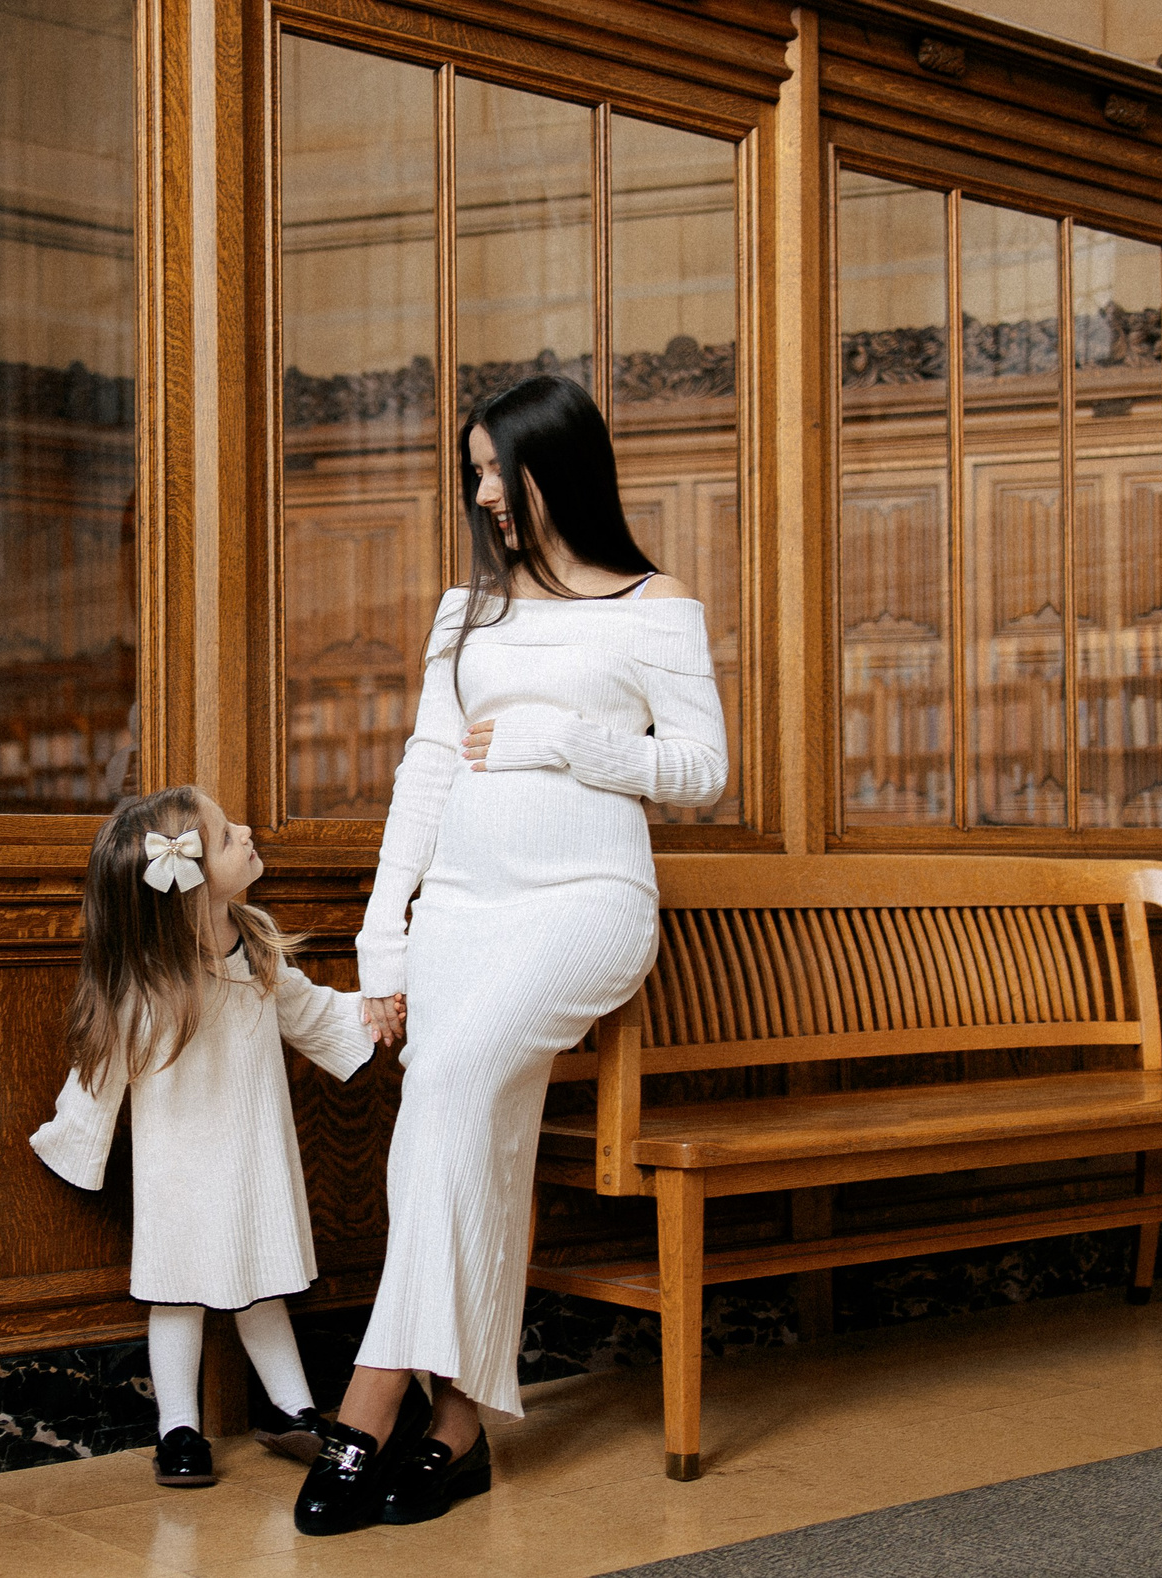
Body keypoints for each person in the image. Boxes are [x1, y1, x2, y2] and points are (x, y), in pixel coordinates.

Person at [295, 374, 728, 1534]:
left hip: (586, 905)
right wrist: (382, 937)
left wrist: (566, 739)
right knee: (469, 1135)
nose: (483, 492)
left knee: (445, 1085)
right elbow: (426, 770)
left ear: (559, 467)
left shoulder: (652, 603)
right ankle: (460, 1428)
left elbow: (701, 770)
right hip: (460, 910)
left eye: (500, 469)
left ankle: (369, 1398)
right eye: (474, 471)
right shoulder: (466, 612)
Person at [31, 784, 385, 1487]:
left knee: (263, 1280)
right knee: (176, 1292)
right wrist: (73, 1138)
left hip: (252, 1153)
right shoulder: (145, 985)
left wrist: (373, 1016)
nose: (248, 832)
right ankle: (178, 1428)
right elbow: (99, 1073)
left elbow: (309, 1011)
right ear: (188, 885)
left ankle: (293, 1410)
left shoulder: (256, 948)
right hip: (179, 1167)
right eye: (226, 835)